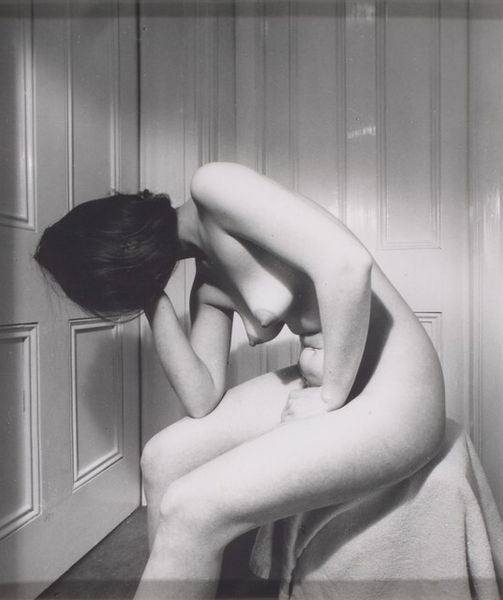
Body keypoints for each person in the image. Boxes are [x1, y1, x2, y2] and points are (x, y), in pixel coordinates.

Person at [35, 162, 445, 600]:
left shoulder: (213, 185)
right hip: (323, 383)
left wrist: (329, 397)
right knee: (161, 458)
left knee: (191, 510)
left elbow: (348, 263)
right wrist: (151, 297)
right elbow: (201, 398)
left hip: (396, 388)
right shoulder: (207, 280)